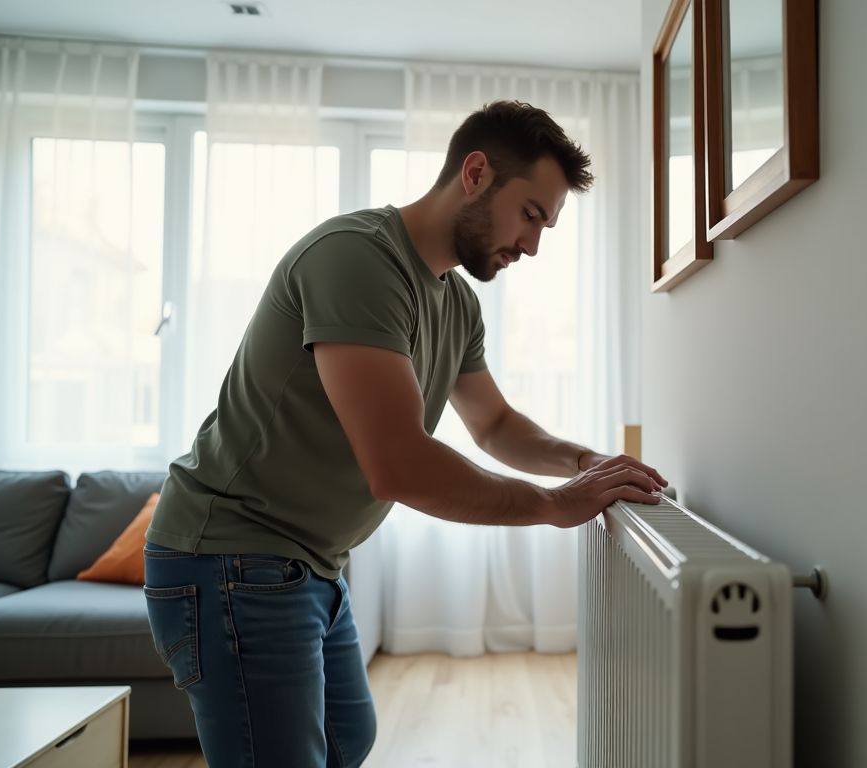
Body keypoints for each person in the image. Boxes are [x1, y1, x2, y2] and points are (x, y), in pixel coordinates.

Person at [142, 100, 668, 767]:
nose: (533, 245)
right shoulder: (356, 261)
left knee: (347, 741)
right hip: (231, 557)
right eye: (531, 214)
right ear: (475, 173)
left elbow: (496, 424)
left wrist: (587, 463)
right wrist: (554, 505)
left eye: (547, 226)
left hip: (310, 563)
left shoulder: (455, 300)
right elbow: (398, 465)